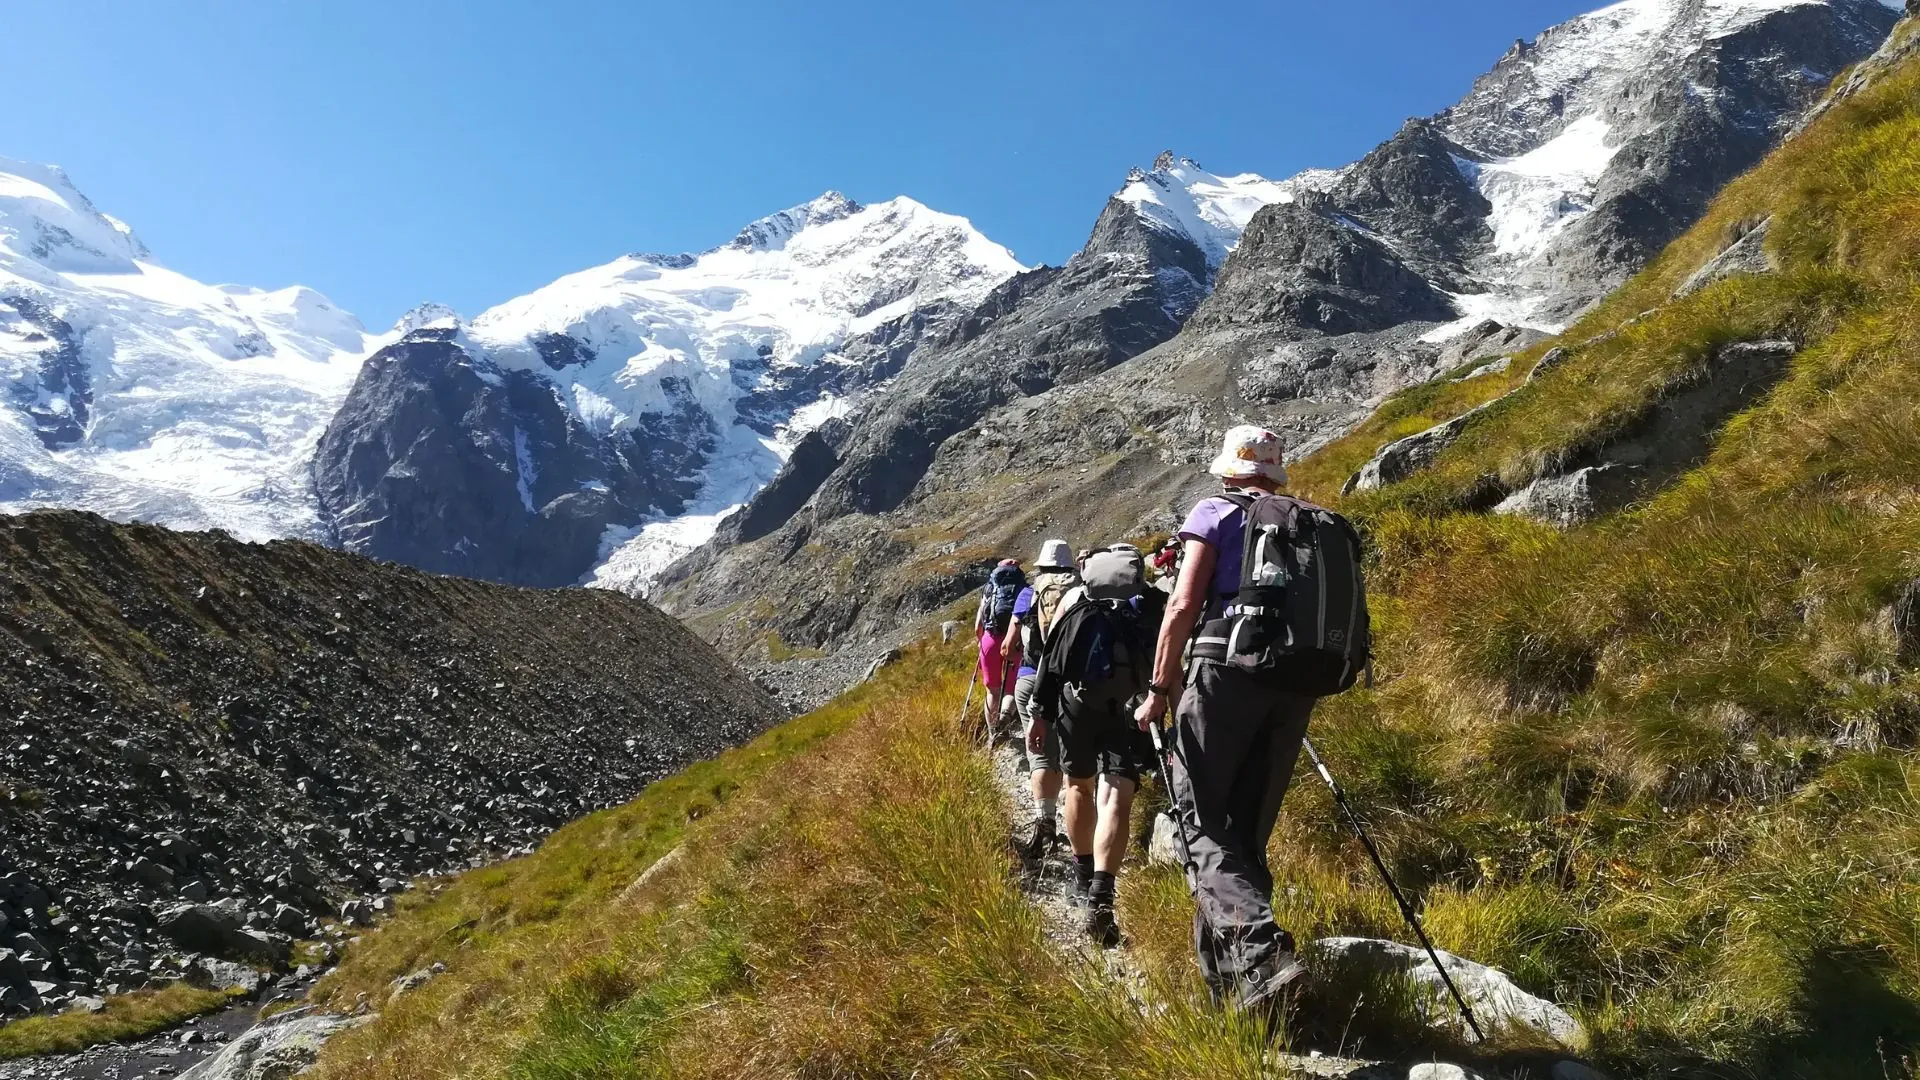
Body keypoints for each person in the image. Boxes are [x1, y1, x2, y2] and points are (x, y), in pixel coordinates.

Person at [1132, 425, 1317, 1009]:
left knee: (1201, 823)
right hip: (1293, 688)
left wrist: (1160, 687)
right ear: (1275, 470)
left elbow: (1184, 603)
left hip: (1222, 677)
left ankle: (1260, 953)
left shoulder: (1214, 512)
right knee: (1244, 839)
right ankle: (1234, 995)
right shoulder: (1308, 520)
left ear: (1229, 470)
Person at [1033, 545, 1158, 947]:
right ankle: (1103, 896)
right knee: (1119, 792)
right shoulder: (1150, 603)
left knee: (1078, 786)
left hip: (1077, 706)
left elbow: (1051, 662)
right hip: (1129, 707)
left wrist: (1041, 715)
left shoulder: (1077, 605)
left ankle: (1083, 876)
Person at [1002, 540, 1082, 857]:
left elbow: (1008, 646)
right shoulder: (1082, 590)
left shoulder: (1027, 594)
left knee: (1040, 756)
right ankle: (1081, 832)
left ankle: (1045, 825)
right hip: (1072, 685)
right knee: (1072, 756)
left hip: (1031, 679)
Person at [974, 558, 1027, 731]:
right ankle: (1005, 717)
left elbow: (978, 626)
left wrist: (980, 643)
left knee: (993, 691)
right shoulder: (1025, 588)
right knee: (1010, 689)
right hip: (1016, 640)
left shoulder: (989, 588)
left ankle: (992, 732)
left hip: (990, 639)